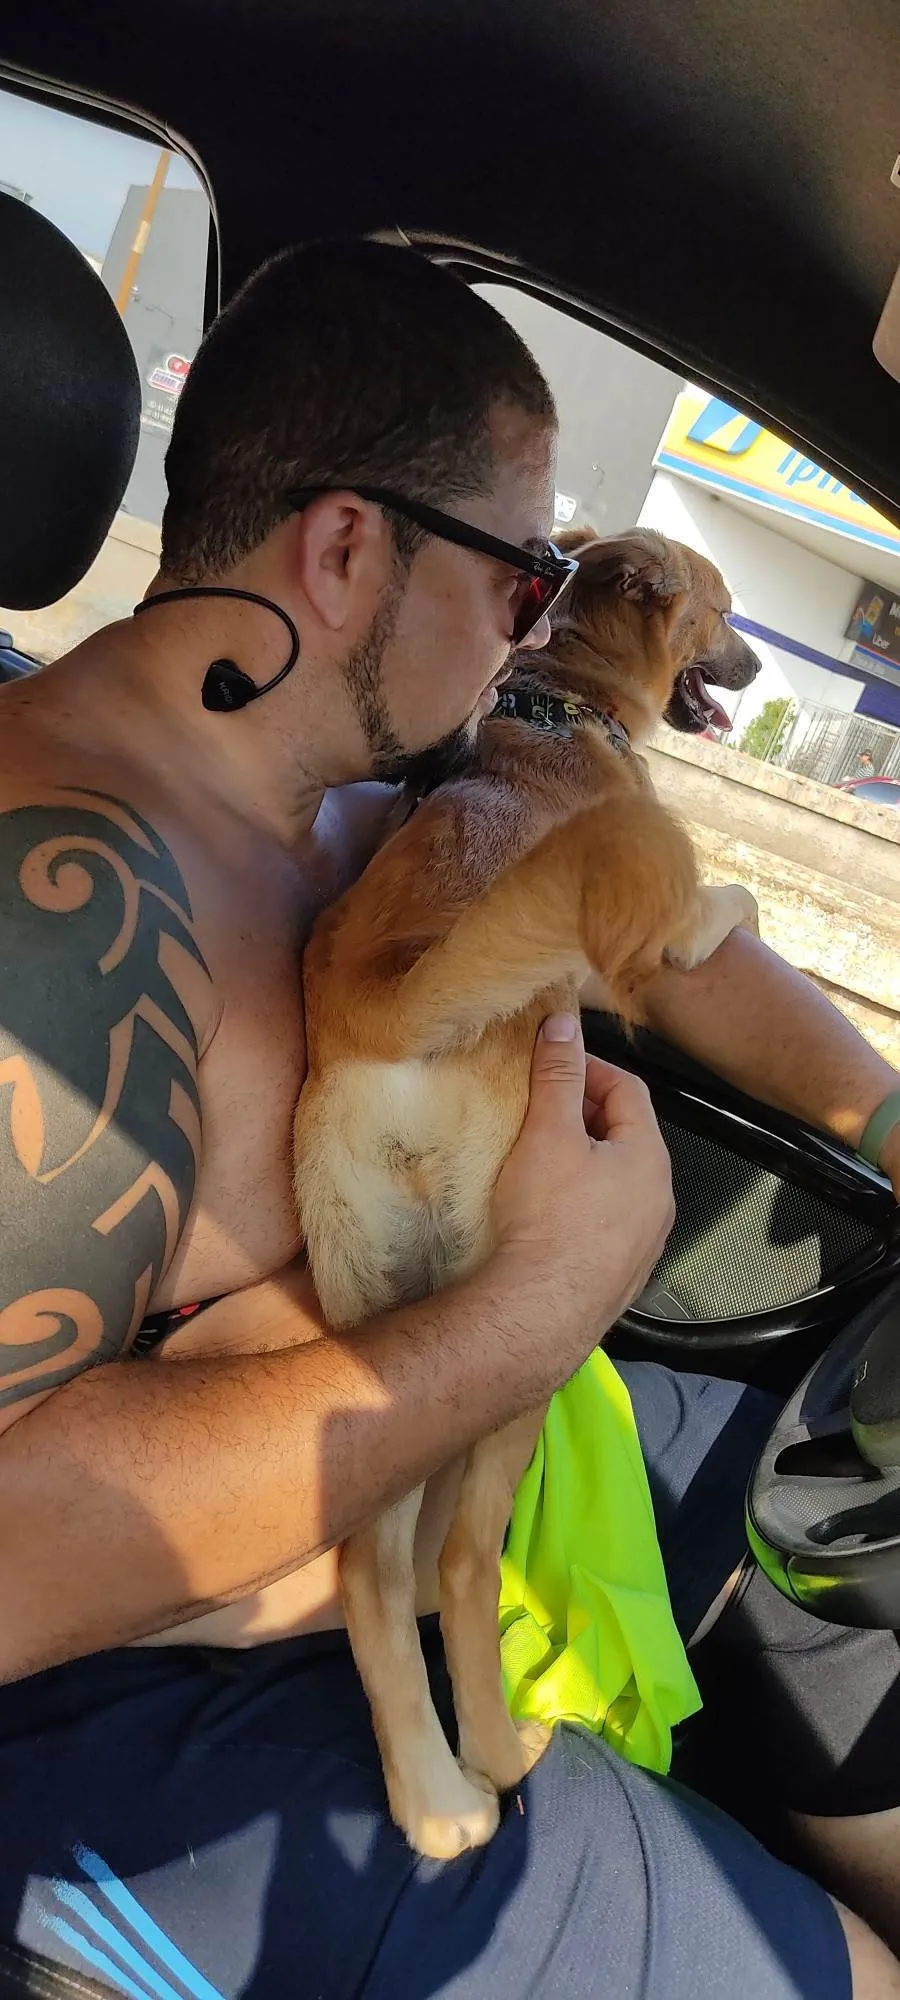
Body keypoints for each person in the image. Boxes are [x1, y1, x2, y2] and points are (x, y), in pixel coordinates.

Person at [0, 239, 899, 2000]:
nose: (542, 619)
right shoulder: (65, 904)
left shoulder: (350, 790)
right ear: (348, 551)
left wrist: (881, 1117)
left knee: (804, 1553)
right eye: (524, 573)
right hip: (126, 1718)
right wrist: (545, 1301)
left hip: (396, 1495)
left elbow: (655, 933)